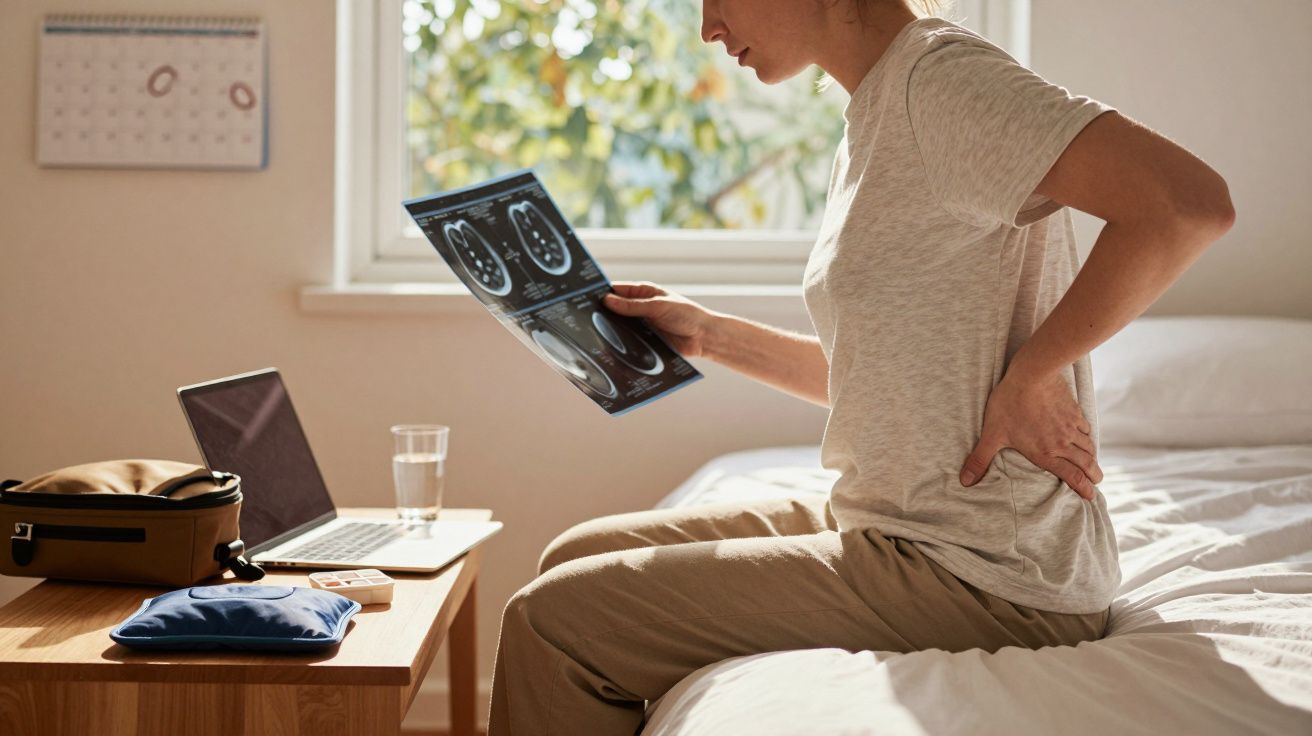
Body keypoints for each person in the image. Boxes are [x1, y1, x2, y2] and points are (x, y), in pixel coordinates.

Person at [487, 0, 1235, 732]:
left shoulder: (943, 80)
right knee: (575, 555)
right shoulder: (877, 109)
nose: (708, 27)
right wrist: (708, 335)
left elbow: (1185, 204)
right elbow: (881, 377)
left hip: (989, 570)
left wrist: (1035, 373)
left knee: (552, 623)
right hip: (901, 519)